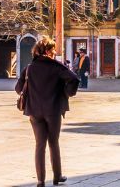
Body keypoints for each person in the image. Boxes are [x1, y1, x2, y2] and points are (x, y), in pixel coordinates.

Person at [15, 36, 79, 187]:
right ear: (49, 51)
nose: (55, 52)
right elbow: (74, 79)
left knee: (39, 145)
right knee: (53, 143)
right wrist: (67, 92)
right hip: (53, 110)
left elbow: (18, 89)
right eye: (53, 49)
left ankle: (40, 181)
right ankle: (57, 177)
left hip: (34, 111)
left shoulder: (29, 68)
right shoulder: (56, 67)